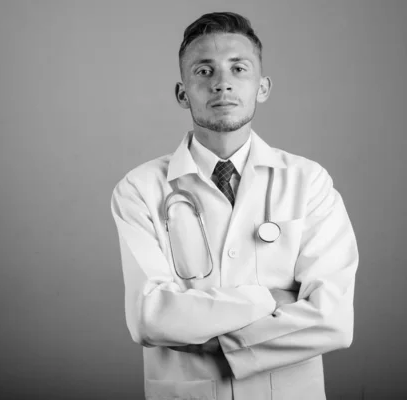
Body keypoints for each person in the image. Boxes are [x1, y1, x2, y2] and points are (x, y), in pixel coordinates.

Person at [110, 11, 358, 400]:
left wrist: (212, 334)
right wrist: (269, 300)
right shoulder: (139, 188)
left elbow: (335, 320)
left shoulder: (308, 181)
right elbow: (150, 317)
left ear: (262, 87)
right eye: (204, 71)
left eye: (238, 69)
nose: (222, 84)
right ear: (182, 92)